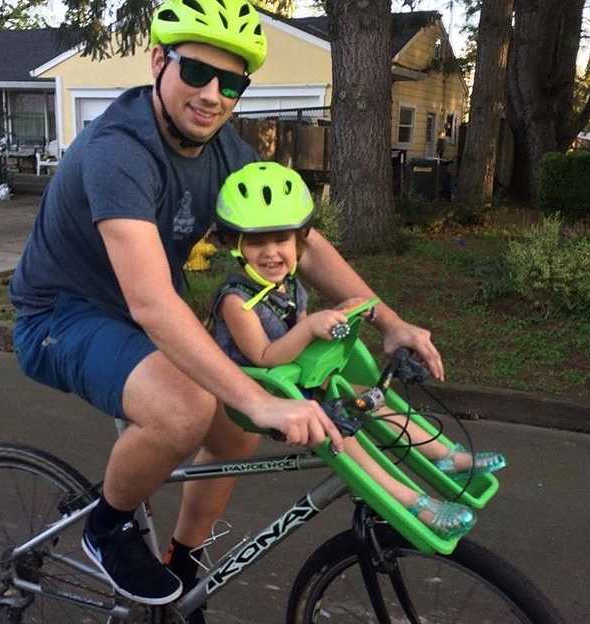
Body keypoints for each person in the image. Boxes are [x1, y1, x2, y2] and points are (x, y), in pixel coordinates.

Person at [8, 1, 447, 624]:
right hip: (61, 316)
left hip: (140, 311)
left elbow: (301, 239)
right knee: (187, 408)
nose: (213, 95)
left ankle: (183, 575)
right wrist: (257, 399)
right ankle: (108, 523)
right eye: (196, 72)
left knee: (236, 429)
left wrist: (390, 321)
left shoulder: (223, 150)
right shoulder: (119, 150)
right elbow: (152, 305)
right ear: (159, 61)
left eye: (233, 83)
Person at [209, 161, 507, 537]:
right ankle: (415, 503)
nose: (271, 253)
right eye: (256, 242)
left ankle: (446, 457)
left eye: (282, 239)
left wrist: (336, 317)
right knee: (341, 436)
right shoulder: (237, 301)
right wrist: (313, 327)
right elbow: (265, 356)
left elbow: (299, 333)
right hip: (261, 395)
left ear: (300, 241)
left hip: (300, 383)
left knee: (371, 396)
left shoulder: (291, 286)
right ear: (235, 246)